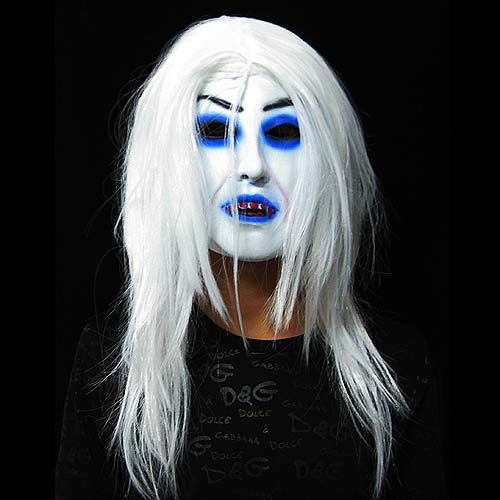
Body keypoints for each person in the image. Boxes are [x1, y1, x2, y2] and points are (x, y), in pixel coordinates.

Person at [55, 16, 448, 500]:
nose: (253, 167)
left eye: (282, 131)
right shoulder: (112, 364)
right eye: (216, 129)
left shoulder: (396, 366)